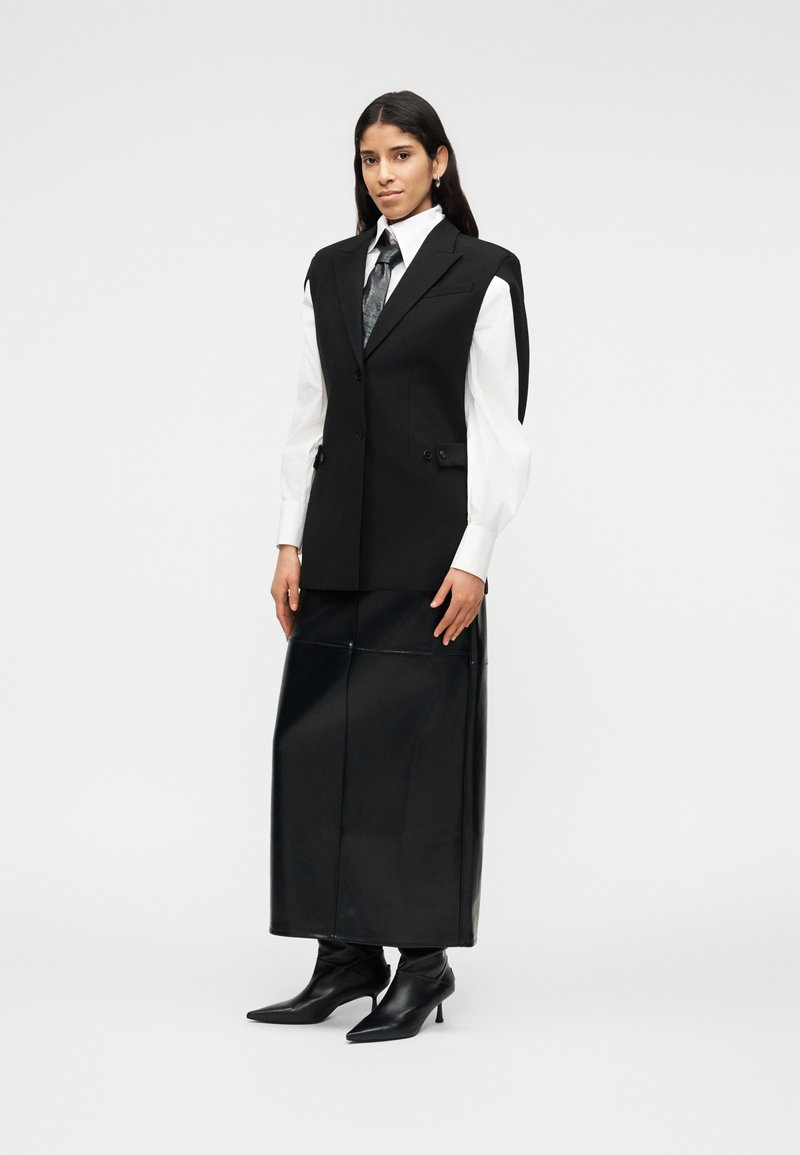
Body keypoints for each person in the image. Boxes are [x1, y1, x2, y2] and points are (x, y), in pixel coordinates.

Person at [247, 89, 531, 1043]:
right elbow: (309, 410)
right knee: (318, 750)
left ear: (438, 162)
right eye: (370, 159)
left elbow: (500, 425)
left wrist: (477, 555)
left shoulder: (481, 271)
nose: (384, 174)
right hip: (335, 545)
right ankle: (343, 956)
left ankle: (422, 963)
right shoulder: (331, 270)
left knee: (418, 757)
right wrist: (289, 538)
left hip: (429, 555)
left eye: (401, 155)